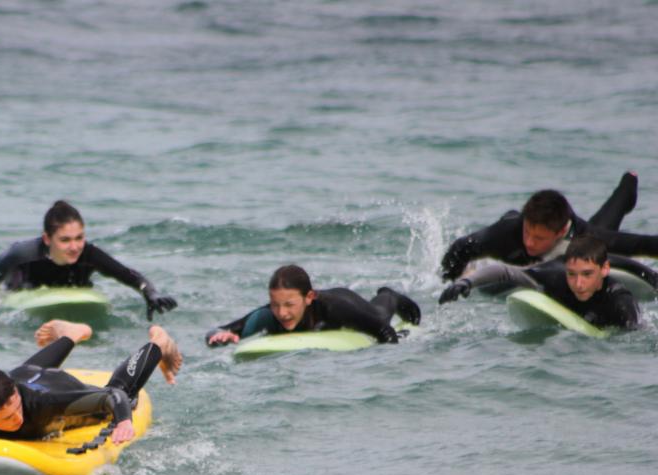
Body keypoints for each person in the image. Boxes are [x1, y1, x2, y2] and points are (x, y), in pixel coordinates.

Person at [0, 320, 182, 445]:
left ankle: (159, 342)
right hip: (25, 375)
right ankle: (72, 333)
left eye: (17, 407)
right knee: (28, 371)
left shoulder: (45, 404)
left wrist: (124, 420)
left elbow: (112, 398)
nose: (18, 416)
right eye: (8, 418)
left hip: (55, 387)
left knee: (124, 393)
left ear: (13, 393)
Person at [0, 200, 178, 320]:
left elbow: (129, 275)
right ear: (47, 239)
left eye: (79, 238)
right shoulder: (23, 254)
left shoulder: (89, 255)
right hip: (25, 293)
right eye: (65, 240)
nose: (74, 247)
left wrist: (150, 293)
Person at [439, 172, 658, 280]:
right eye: (527, 233)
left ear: (561, 232)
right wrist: (449, 280)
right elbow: (461, 247)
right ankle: (626, 190)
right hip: (514, 222)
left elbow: (639, 243)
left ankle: (627, 189)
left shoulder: (581, 236)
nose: (529, 242)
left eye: (539, 238)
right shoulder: (506, 234)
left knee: (603, 239)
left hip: (576, 234)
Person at [438, 234, 642, 331]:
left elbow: (636, 338)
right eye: (572, 274)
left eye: (587, 274)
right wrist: (466, 282)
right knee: (489, 290)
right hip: (540, 279)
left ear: (604, 269)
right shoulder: (556, 277)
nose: (578, 284)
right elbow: (506, 272)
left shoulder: (620, 302)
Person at [204, 265, 422, 346]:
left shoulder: (335, 310)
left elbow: (385, 331)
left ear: (309, 297)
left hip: (345, 300)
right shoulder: (268, 314)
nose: (282, 313)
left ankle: (388, 293)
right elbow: (219, 330)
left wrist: (392, 347)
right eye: (275, 304)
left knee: (381, 314)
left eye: (289, 305)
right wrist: (220, 337)